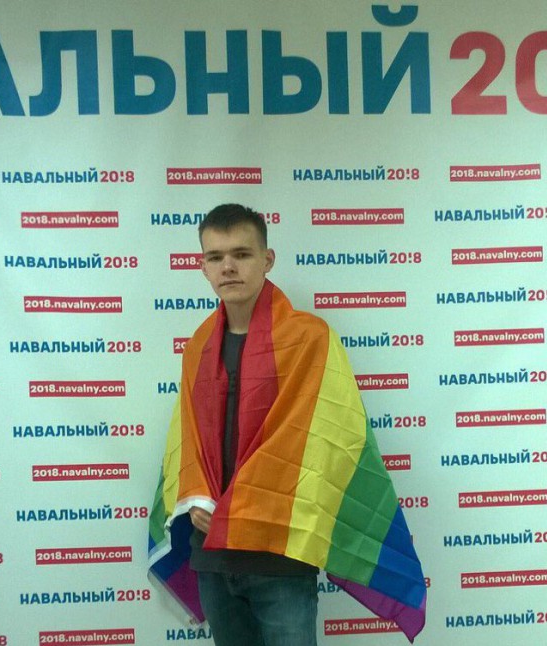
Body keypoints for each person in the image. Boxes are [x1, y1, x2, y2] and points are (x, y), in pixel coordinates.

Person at [149, 204, 426, 645]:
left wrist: (248, 504)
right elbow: (188, 438)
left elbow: (329, 442)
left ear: (267, 259)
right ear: (202, 267)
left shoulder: (311, 338)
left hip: (279, 552)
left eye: (241, 254)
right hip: (212, 552)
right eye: (215, 257)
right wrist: (195, 496)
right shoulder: (198, 345)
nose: (228, 267)